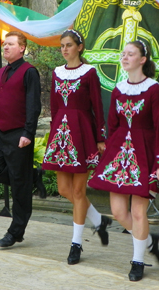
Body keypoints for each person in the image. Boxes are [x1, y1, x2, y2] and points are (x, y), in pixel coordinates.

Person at [88, 40, 159, 282]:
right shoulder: (118, 88)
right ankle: (147, 241)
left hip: (144, 154)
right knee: (117, 211)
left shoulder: (154, 89)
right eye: (123, 54)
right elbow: (112, 124)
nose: (124, 57)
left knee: (137, 212)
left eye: (130, 54)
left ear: (142, 60)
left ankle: (137, 261)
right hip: (119, 155)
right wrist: (108, 153)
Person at [42, 29, 111, 264]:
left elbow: (98, 108)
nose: (64, 49)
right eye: (62, 45)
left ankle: (76, 244)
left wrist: (100, 138)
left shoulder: (89, 73)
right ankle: (99, 220)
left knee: (79, 192)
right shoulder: (57, 72)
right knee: (63, 189)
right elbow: (53, 106)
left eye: (69, 45)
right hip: (61, 136)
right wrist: (52, 135)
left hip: (82, 134)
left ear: (79, 47)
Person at [0, 31, 41, 248]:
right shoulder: (2, 72)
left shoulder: (29, 72)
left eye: (11, 44)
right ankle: (31, 178)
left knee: (19, 185)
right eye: (4, 44)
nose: (5, 47)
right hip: (0, 134)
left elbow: (33, 105)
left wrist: (28, 133)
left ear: (22, 48)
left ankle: (15, 231)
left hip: (19, 135)